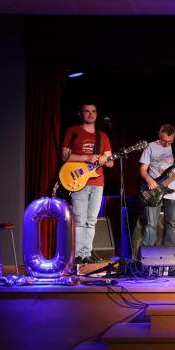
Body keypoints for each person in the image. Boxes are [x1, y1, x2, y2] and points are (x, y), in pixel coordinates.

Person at [61, 103, 113, 263]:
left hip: (98, 182)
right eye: (87, 111)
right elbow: (64, 156)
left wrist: (104, 159)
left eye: (93, 111)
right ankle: (77, 255)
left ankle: (86, 254)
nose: (91, 114)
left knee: (91, 220)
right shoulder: (73, 131)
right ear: (80, 114)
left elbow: (111, 163)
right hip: (79, 181)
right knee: (80, 220)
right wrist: (86, 158)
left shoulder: (102, 136)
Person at [139, 124, 175, 246]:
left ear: (174, 136)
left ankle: (170, 253)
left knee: (172, 224)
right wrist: (149, 179)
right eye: (164, 141)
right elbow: (143, 169)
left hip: (174, 191)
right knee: (151, 224)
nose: (167, 144)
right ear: (159, 134)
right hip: (154, 190)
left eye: (170, 141)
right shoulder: (150, 146)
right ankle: (148, 253)